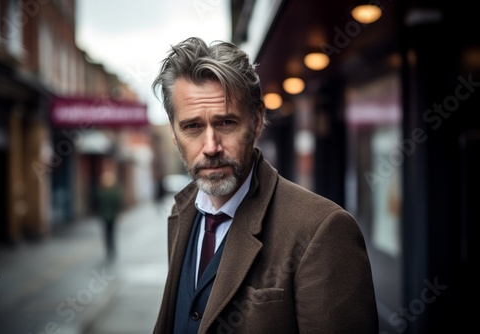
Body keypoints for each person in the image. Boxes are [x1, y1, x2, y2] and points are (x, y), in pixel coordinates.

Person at [151, 37, 378, 334]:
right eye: (192, 126)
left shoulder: (323, 229)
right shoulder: (182, 211)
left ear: (256, 121)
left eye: (226, 123)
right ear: (173, 132)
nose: (210, 146)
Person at [96, 170, 123, 262]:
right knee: (111, 232)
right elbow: (118, 203)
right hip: (111, 216)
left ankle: (109, 247)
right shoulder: (113, 192)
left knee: (107, 232)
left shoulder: (102, 192)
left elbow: (97, 204)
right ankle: (111, 247)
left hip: (106, 216)